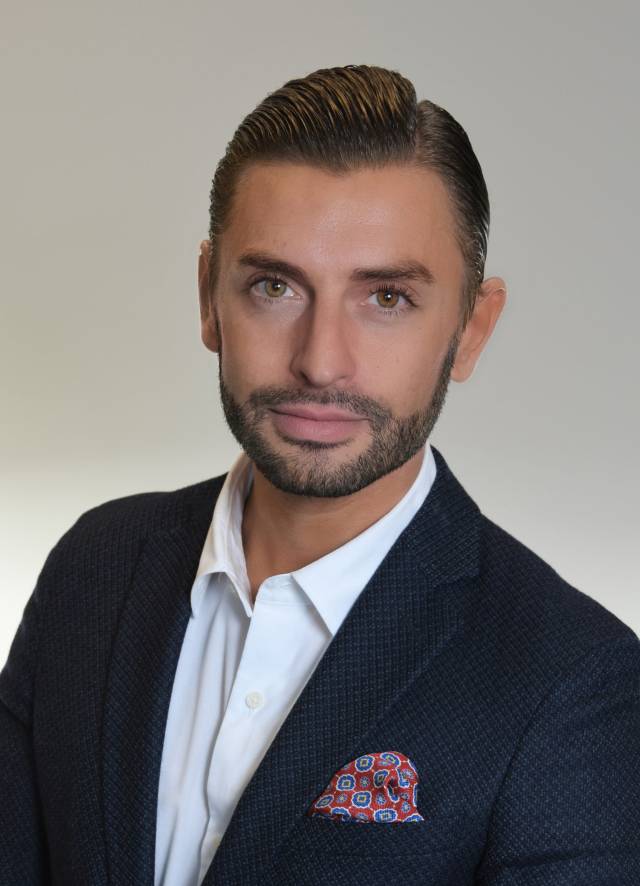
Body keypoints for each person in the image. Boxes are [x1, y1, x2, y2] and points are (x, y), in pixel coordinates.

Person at [1, 64, 638, 886]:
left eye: (387, 298)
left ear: (471, 329)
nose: (320, 361)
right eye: (275, 286)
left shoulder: (571, 680)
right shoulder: (94, 566)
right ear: (209, 297)